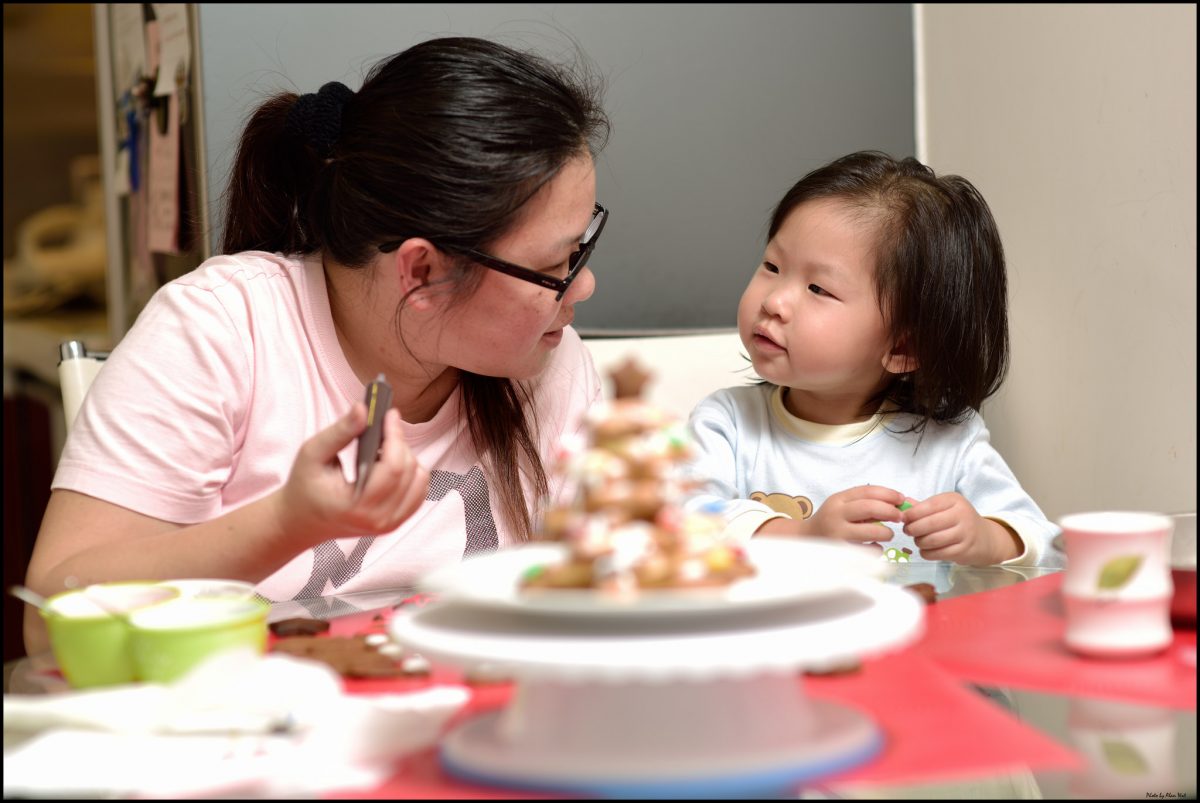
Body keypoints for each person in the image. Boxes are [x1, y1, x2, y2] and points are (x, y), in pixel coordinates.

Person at [24, 36, 611, 652]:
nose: (586, 284)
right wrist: (286, 523)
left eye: (584, 246)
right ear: (421, 271)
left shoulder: (549, 364)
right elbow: (48, 623)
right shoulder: (221, 328)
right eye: (557, 264)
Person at [686, 150, 1059, 567]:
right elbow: (680, 523)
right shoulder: (729, 424)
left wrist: (989, 538)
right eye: (772, 266)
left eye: (818, 289)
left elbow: (1048, 543)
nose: (774, 301)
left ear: (902, 349)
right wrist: (803, 534)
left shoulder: (949, 444)